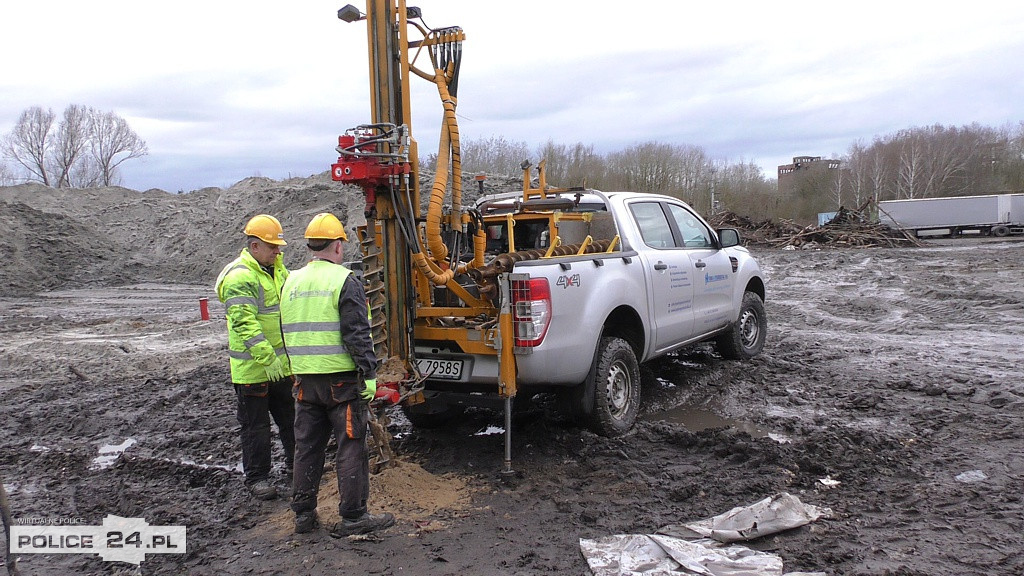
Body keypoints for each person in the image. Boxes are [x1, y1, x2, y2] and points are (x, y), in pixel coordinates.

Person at [280, 212, 394, 537]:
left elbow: (285, 330)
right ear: (339, 247)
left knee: (307, 447)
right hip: (341, 384)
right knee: (351, 445)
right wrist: (370, 373)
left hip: (304, 383)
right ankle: (354, 516)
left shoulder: (291, 281)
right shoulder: (344, 281)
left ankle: (303, 515)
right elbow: (357, 333)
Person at [214, 214, 296, 501]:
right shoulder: (240, 277)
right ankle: (258, 477)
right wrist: (267, 359)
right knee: (256, 427)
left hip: (281, 367)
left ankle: (295, 466)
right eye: (273, 247)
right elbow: (244, 323)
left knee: (291, 419)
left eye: (278, 247)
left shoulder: (277, 271)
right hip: (253, 370)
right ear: (254, 246)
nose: (278, 251)